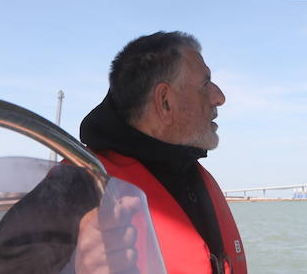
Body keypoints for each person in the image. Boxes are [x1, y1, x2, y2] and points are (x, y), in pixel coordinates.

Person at [77, 32, 247, 274]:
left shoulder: (191, 176)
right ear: (165, 101)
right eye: (205, 84)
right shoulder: (75, 189)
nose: (219, 97)